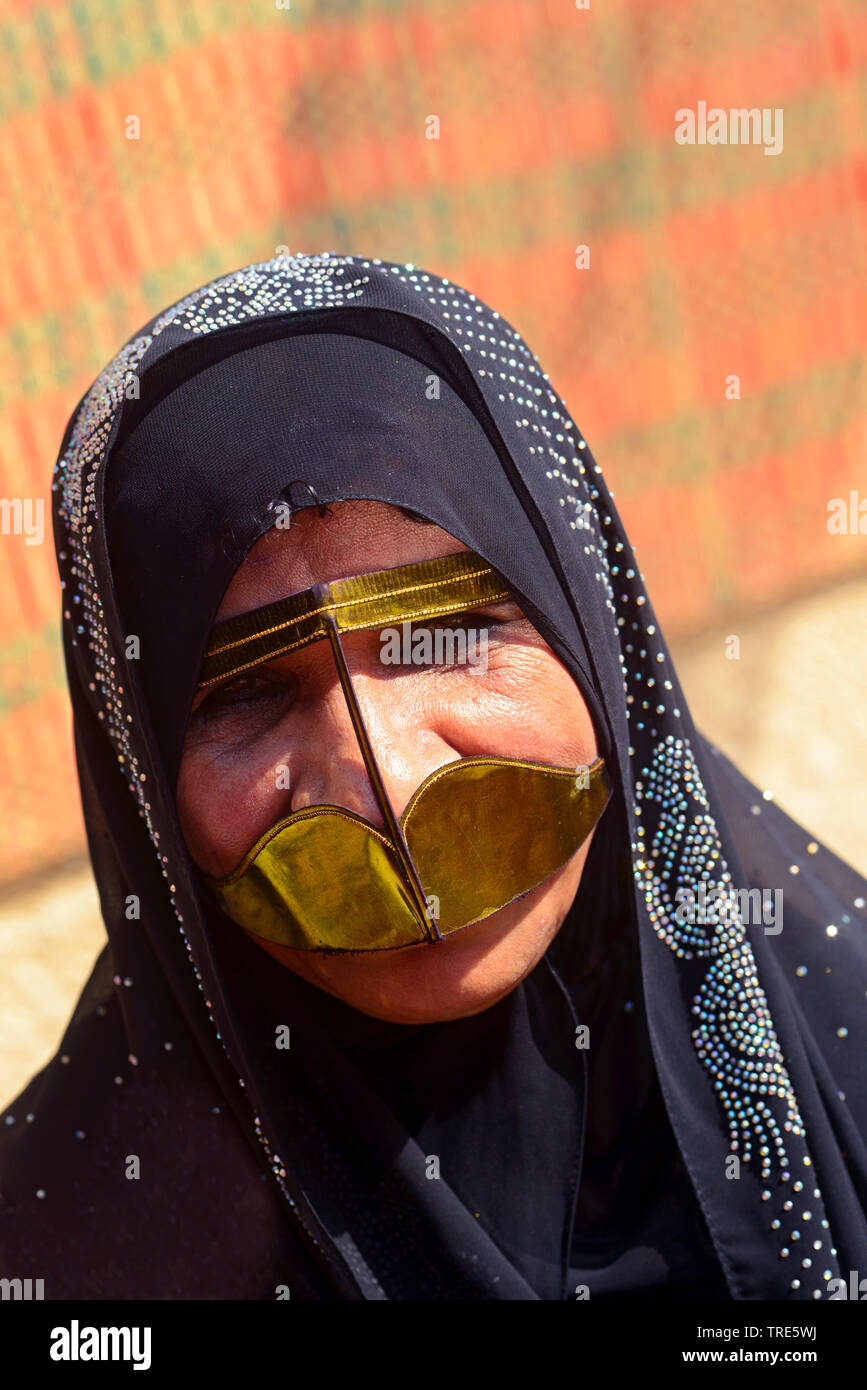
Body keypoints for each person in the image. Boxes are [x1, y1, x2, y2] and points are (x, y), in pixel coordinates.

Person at [2, 252, 865, 1300]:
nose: (393, 792)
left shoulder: (840, 1039)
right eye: (241, 697)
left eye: (449, 633)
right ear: (139, 778)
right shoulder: (67, 1261)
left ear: (589, 622)